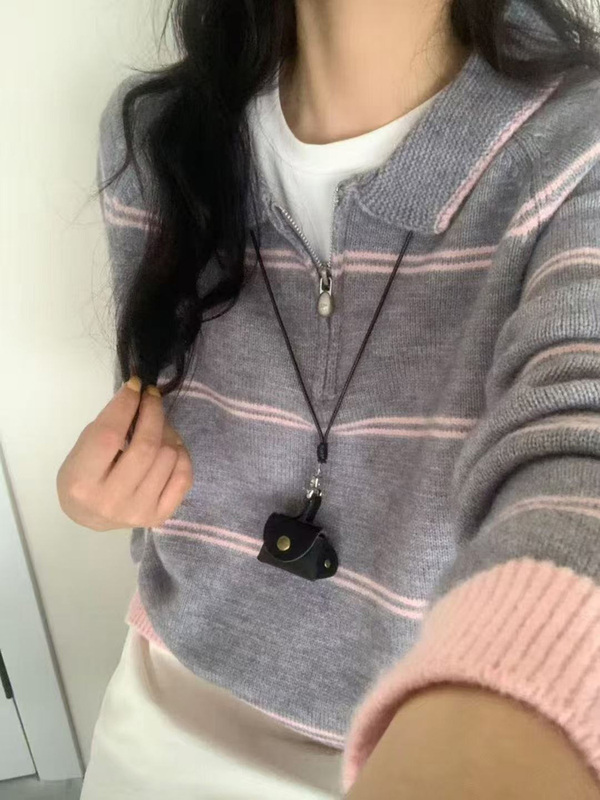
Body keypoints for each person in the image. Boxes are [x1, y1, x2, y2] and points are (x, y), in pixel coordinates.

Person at [56, 0, 600, 796]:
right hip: (173, 699)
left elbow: (578, 451)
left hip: (433, 723)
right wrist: (102, 496)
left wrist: (508, 721)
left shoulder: (578, 149)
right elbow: (147, 406)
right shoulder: (159, 134)